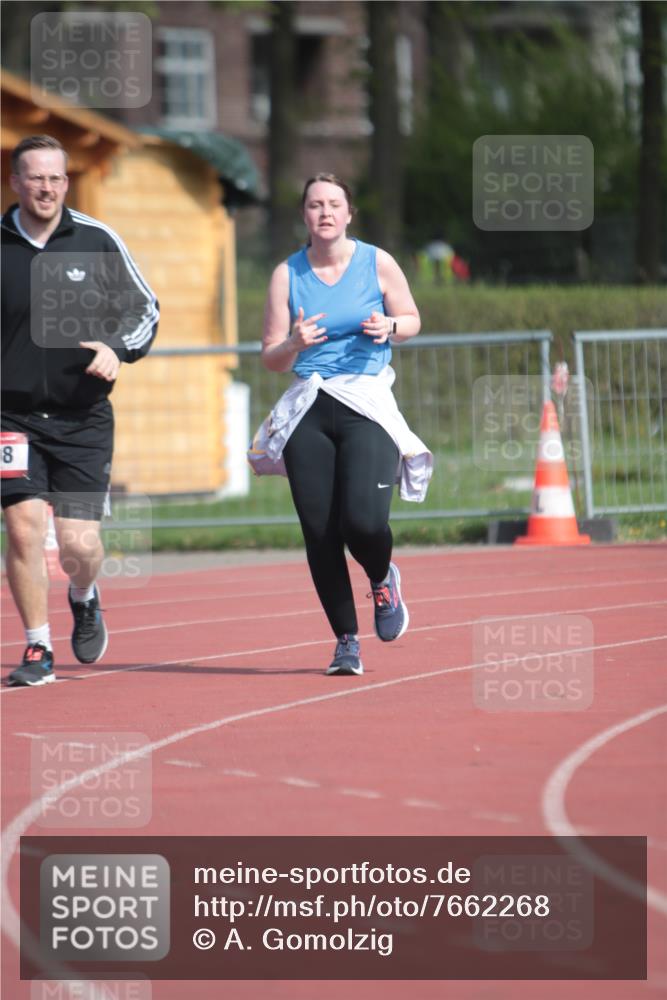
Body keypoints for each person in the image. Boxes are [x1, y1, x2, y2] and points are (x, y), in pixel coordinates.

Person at [255, 172, 432, 677]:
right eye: (315, 205)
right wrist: (292, 345)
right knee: (319, 531)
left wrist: (391, 326)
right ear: (304, 216)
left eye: (334, 204)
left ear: (349, 213)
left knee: (364, 521)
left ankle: (381, 576)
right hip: (310, 404)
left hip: (365, 400)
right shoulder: (286, 275)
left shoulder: (378, 262)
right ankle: (345, 640)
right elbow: (269, 356)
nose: (325, 212)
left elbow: (412, 318)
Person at [1, 135, 159, 687]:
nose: (46, 188)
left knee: (77, 545)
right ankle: (37, 647)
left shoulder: (95, 240)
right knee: (22, 530)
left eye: (55, 178)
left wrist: (118, 349)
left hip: (81, 419)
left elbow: (145, 308)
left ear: (66, 183)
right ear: (16, 181)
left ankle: (84, 595)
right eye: (35, 177)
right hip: (11, 418)